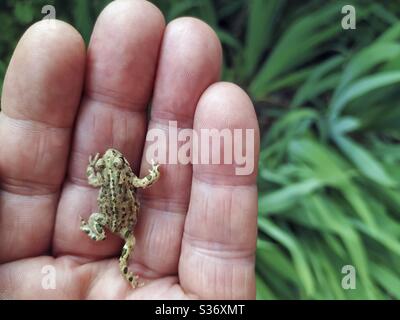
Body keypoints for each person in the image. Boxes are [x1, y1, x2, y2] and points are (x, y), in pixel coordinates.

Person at [0, 0, 259, 299]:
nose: (114, 158)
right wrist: (156, 172)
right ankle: (124, 269)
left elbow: (97, 177)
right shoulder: (127, 179)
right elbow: (143, 181)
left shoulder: (110, 180)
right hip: (124, 224)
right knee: (127, 248)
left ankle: (103, 244)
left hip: (115, 220)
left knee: (119, 240)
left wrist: (97, 168)